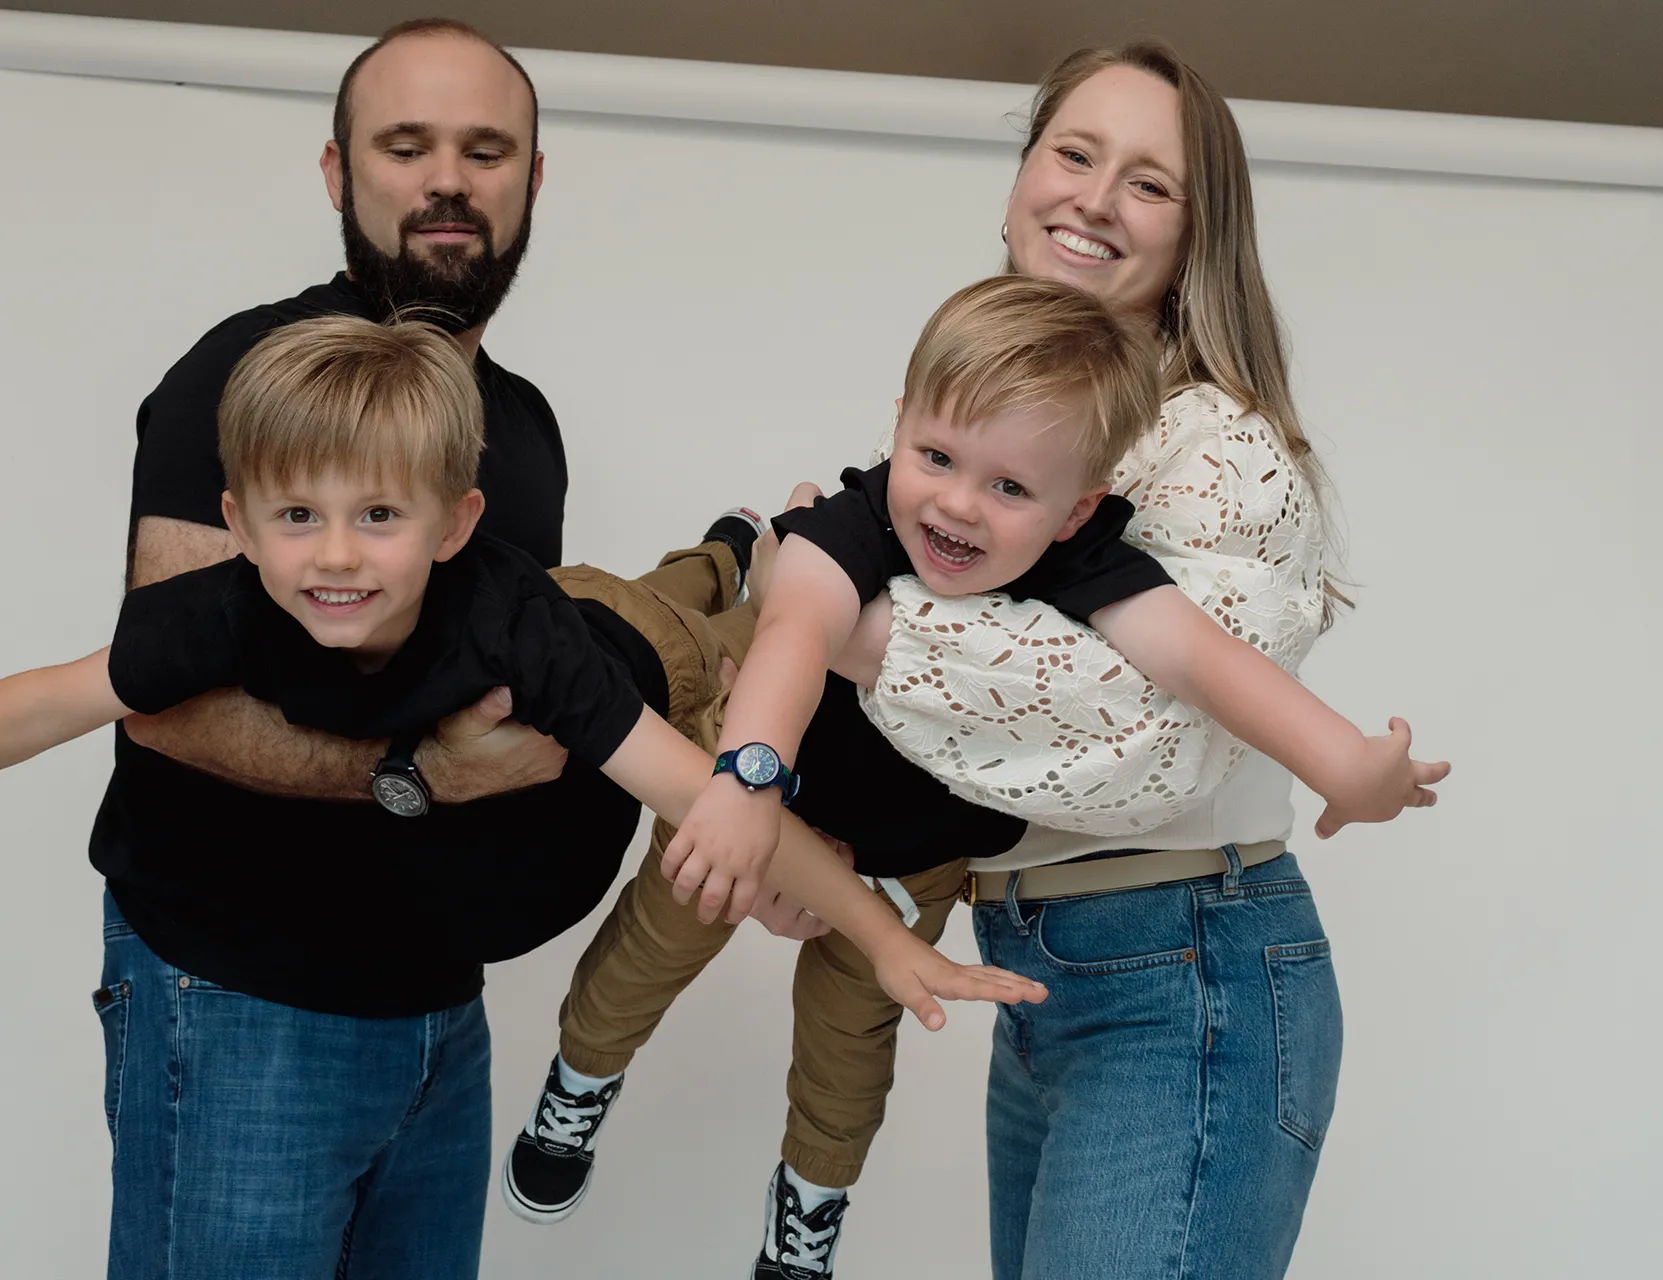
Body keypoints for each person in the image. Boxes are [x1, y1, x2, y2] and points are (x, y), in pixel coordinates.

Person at [1, 314, 1046, 1269]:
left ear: (454, 523)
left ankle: (742, 544)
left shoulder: (512, 630)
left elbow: (721, 799)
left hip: (622, 652)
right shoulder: (219, 612)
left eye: (377, 514)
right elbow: (50, 699)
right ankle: (728, 541)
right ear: (237, 519)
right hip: (567, 672)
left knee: (708, 628)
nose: (332, 553)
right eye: (295, 514)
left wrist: (886, 935)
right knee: (685, 595)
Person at [502, 277, 1442, 1280]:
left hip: (913, 863)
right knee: (660, 935)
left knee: (850, 1049)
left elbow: (1203, 660)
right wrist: (746, 776)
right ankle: (578, 1077)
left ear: (1079, 508)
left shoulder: (1081, 557)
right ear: (900, 426)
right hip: (767, 800)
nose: (956, 504)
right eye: (937, 458)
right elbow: (795, 628)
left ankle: (806, 1210)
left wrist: (1346, 762)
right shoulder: (861, 515)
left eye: (1008, 488)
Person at [818, 41, 1452, 1278]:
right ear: (1016, 184)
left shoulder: (1224, 451)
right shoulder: (994, 431)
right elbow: (965, 736)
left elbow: (1127, 736)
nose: (1097, 199)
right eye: (1073, 152)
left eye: (1150, 183)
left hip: (1187, 965)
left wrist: (844, 620)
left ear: (1196, 236)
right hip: (1039, 961)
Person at [77, 18, 694, 1279]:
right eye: (405, 146)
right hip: (239, 1000)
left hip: (434, 1011)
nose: (447, 180)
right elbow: (167, 702)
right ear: (337, 173)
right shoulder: (245, 380)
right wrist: (421, 776)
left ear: (532, 177)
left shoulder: (517, 428)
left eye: (485, 149)